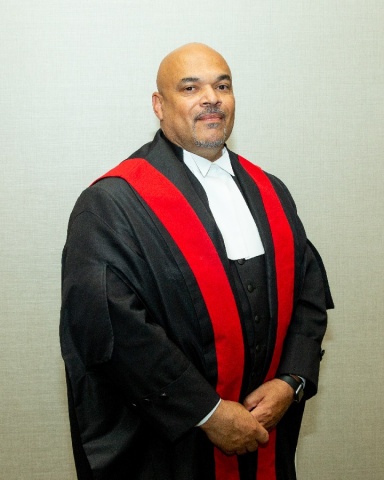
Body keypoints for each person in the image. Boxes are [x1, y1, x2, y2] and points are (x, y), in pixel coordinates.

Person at [60, 43, 333, 480]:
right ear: (159, 105)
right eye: (191, 87)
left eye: (222, 85)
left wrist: (292, 381)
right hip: (170, 444)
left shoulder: (271, 191)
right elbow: (113, 328)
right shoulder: (112, 204)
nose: (212, 98)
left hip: (265, 434)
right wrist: (207, 413)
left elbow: (308, 293)